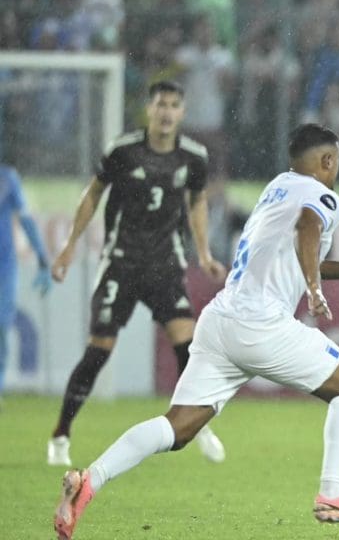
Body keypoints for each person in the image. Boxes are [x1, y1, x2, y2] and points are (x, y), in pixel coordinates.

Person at [53, 123, 339, 540]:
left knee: (178, 426)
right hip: (261, 323)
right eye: (337, 162)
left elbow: (293, 252)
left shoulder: (277, 188)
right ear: (328, 161)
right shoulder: (323, 197)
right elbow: (307, 228)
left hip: (220, 320)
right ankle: (333, 494)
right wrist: (313, 289)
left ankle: (89, 481)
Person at [48, 80, 228, 467]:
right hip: (122, 263)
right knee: (100, 350)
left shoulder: (194, 158)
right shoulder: (123, 151)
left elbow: (196, 203)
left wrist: (204, 253)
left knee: (190, 346)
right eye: (160, 103)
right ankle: (61, 434)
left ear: (182, 112)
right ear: (150, 109)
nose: (166, 112)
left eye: (174, 105)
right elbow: (93, 193)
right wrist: (69, 246)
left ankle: (196, 423)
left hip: (165, 264)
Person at [0, 163, 52, 403]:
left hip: (4, 267)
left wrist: (42, 257)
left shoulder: (8, 179)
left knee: (1, 328)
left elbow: (26, 219)